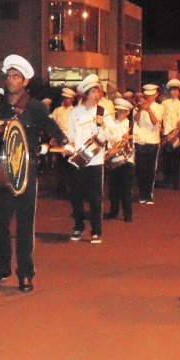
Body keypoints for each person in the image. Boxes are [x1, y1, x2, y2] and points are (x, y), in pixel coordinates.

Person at [0, 55, 67, 291]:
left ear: (25, 81)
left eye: (15, 77)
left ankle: (25, 273)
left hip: (25, 173)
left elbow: (55, 130)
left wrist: (58, 143)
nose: (10, 81)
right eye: (8, 76)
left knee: (25, 226)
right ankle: (2, 266)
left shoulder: (35, 107)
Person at [66, 74, 120, 244]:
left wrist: (103, 125)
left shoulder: (104, 112)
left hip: (96, 161)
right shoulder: (74, 112)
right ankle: (78, 226)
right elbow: (71, 136)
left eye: (98, 91)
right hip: (78, 160)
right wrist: (68, 149)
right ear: (86, 94)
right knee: (76, 197)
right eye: (94, 92)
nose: (97, 95)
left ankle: (96, 231)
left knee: (95, 198)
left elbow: (115, 137)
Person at [104, 98, 135, 222]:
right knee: (113, 188)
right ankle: (114, 211)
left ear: (127, 112)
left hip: (126, 160)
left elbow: (138, 138)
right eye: (117, 110)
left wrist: (130, 137)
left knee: (126, 189)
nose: (118, 113)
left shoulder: (131, 124)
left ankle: (128, 214)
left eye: (122, 111)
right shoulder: (111, 123)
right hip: (112, 159)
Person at [133, 84, 163, 204]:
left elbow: (156, 122)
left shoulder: (160, 107)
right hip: (140, 140)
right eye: (147, 95)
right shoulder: (138, 107)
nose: (149, 97)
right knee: (140, 169)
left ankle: (148, 195)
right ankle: (141, 194)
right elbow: (135, 119)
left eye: (151, 95)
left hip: (153, 141)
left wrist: (149, 110)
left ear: (156, 95)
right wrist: (141, 109)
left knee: (150, 169)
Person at [160, 79, 180, 191]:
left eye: (176, 90)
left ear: (179, 92)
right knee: (167, 160)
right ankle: (166, 180)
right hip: (167, 134)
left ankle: (176, 182)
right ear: (169, 91)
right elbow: (160, 116)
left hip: (178, 135)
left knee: (177, 160)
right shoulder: (164, 103)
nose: (174, 93)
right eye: (172, 90)